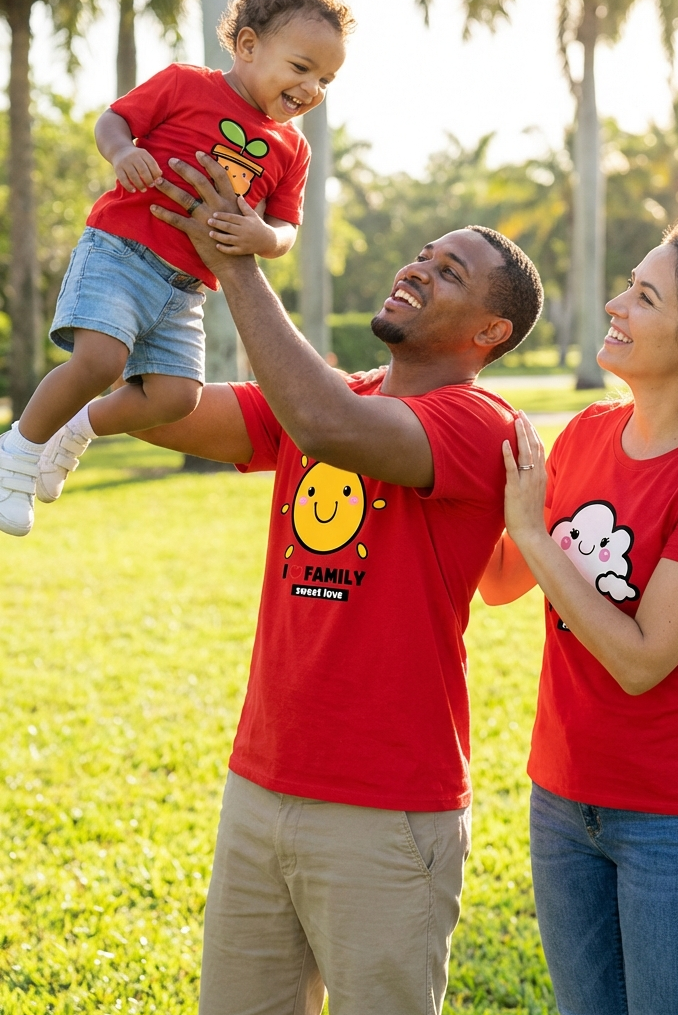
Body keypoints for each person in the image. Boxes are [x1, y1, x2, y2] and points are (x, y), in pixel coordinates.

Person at [128, 151, 543, 1014]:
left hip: (386, 808)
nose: (417, 268)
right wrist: (133, 282)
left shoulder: (476, 421)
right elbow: (169, 410)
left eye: (449, 271)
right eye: (423, 254)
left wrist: (238, 256)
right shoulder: (330, 389)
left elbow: (325, 425)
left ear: (488, 333)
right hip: (260, 782)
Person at [480, 219, 678, 1015]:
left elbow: (641, 660)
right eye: (627, 284)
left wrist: (536, 533)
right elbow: (503, 581)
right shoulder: (588, 434)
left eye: (643, 296)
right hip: (562, 799)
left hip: (676, 822)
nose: (615, 303)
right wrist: (458, 467)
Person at [0, 0, 352, 538]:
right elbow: (113, 121)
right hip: (121, 251)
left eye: (326, 80)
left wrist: (262, 237)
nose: (312, 88)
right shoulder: (185, 84)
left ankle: (76, 428)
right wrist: (122, 153)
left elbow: (285, 229)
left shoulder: (292, 151)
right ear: (246, 45)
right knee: (101, 361)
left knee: (175, 398)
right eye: (301, 67)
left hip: (186, 288)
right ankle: (15, 453)